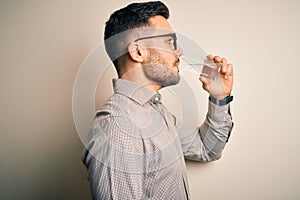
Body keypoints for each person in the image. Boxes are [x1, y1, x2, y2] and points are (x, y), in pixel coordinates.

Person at [82, 1, 234, 199]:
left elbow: (207, 149)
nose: (179, 52)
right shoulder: (118, 129)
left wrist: (219, 97)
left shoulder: (156, 113)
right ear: (138, 52)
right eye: (169, 42)